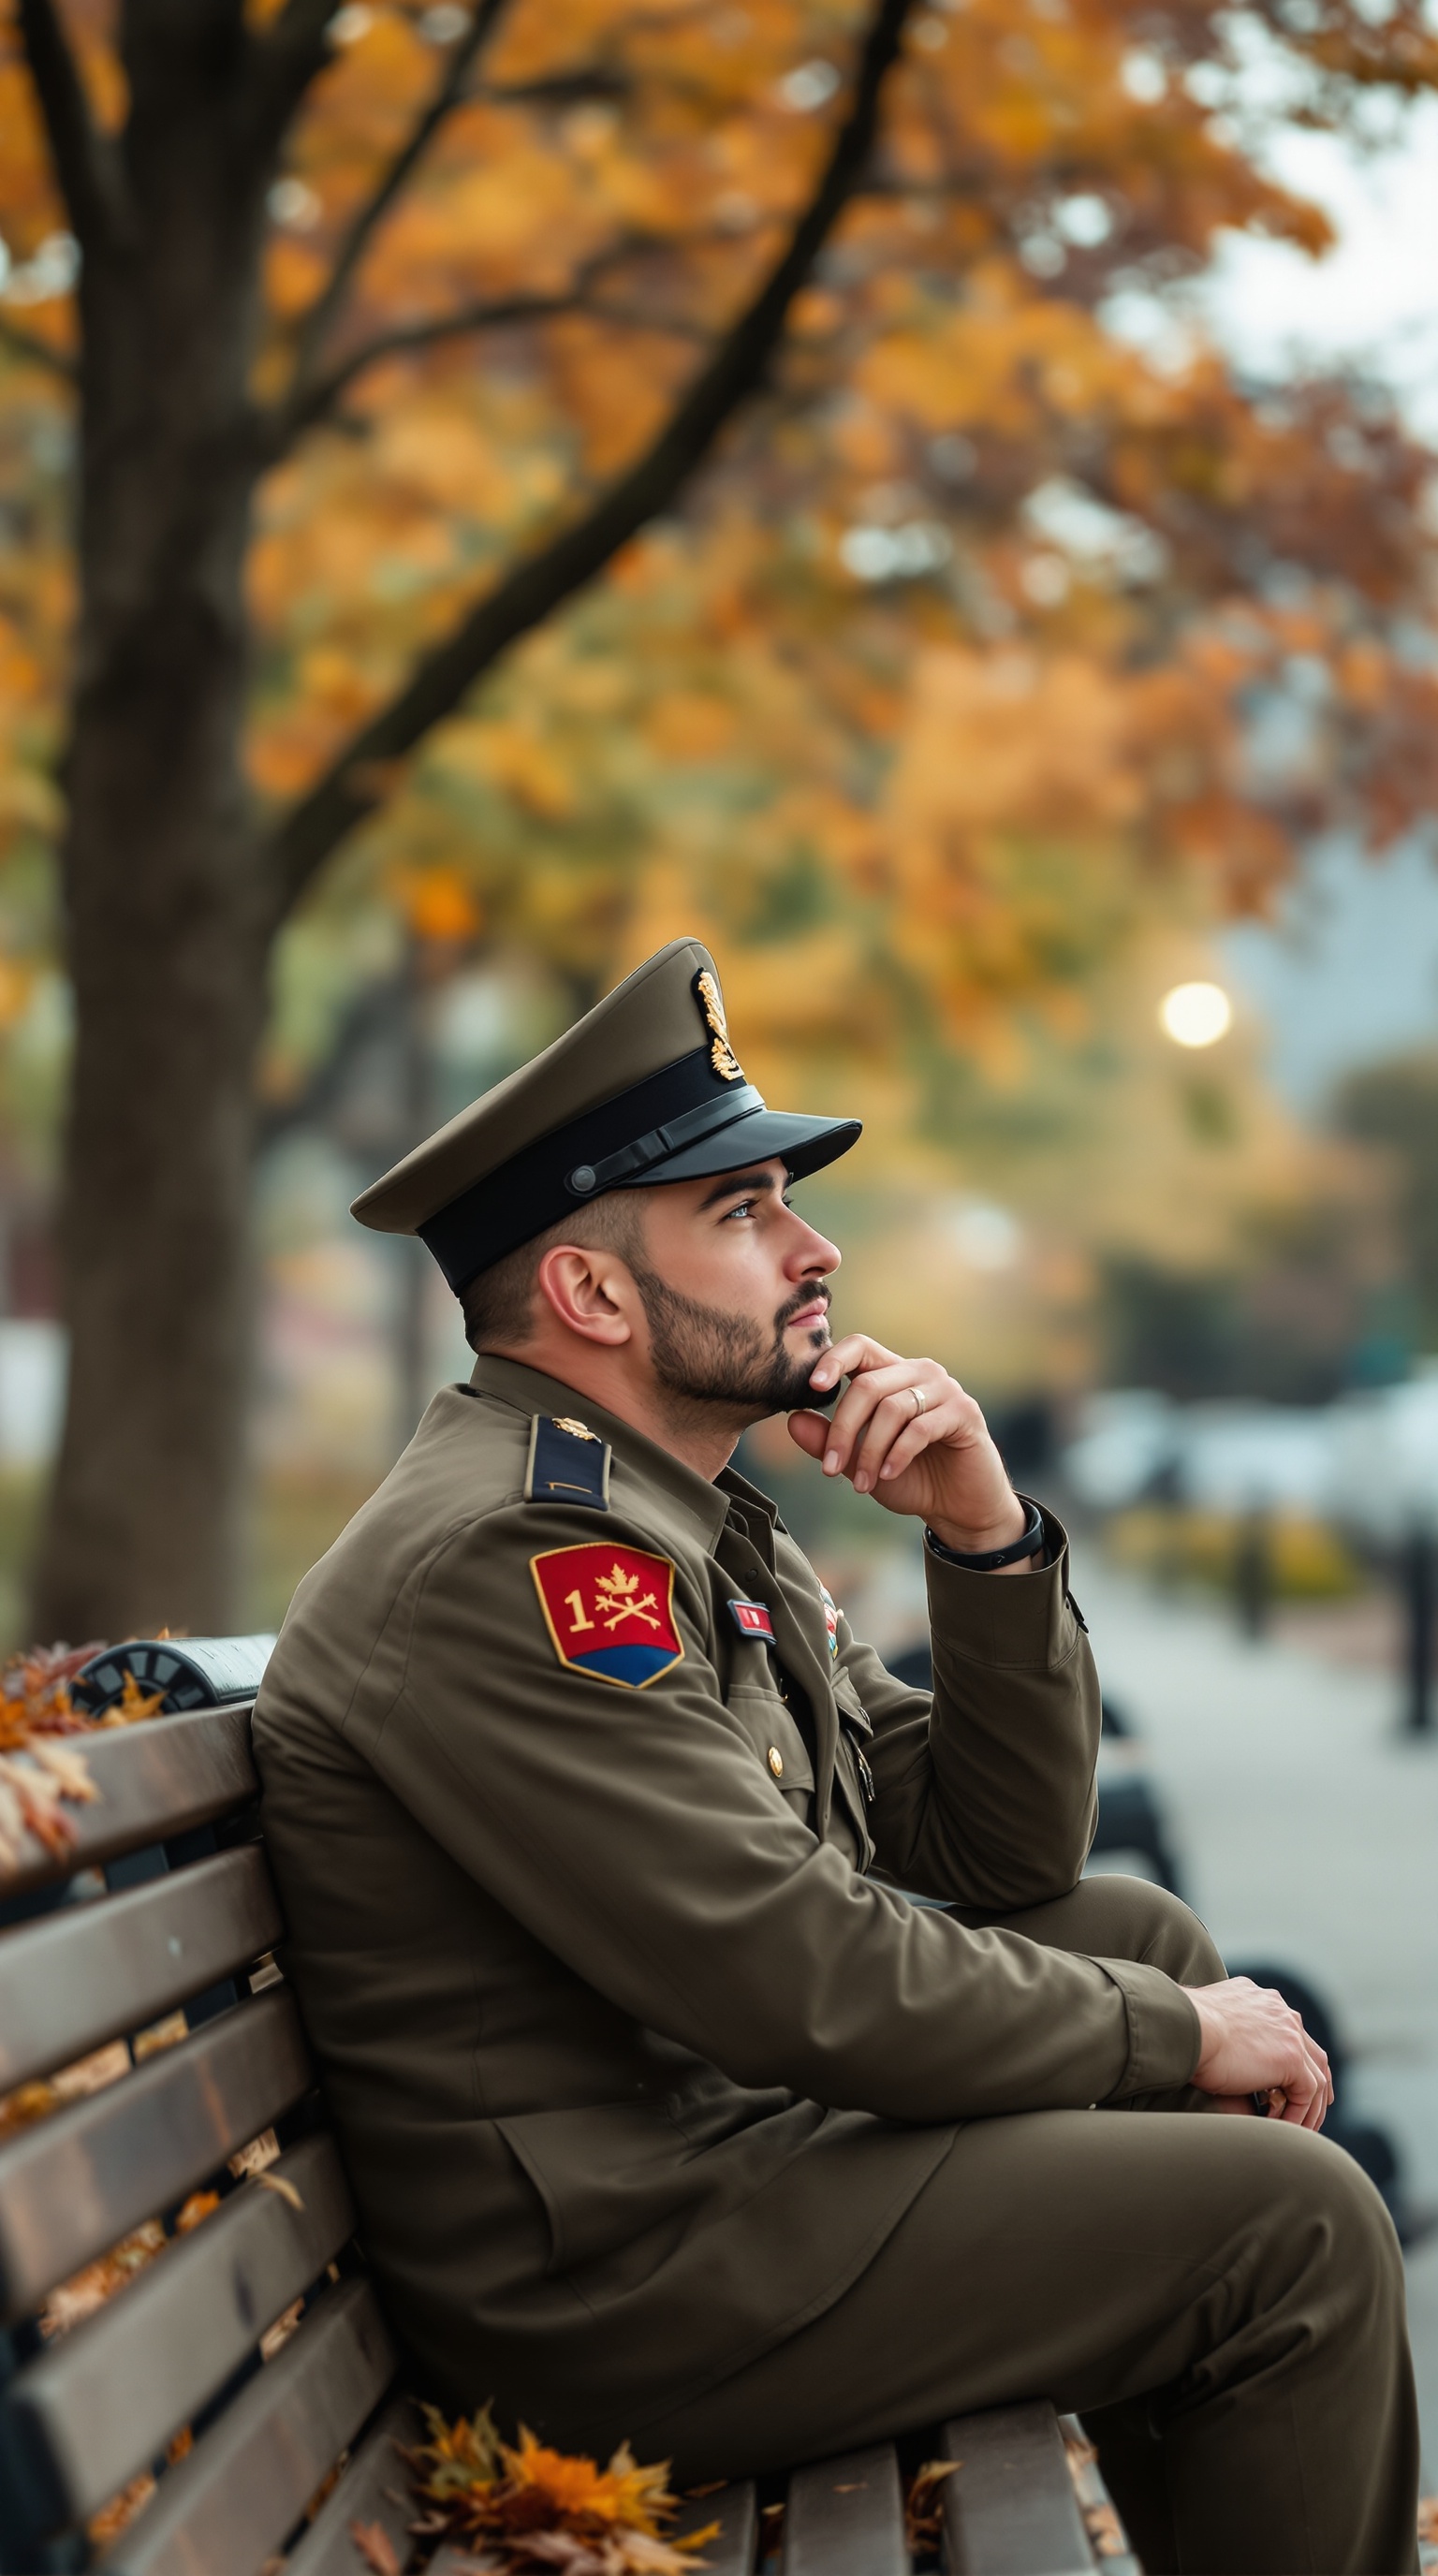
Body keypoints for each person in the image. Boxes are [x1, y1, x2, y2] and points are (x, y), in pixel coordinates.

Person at [253, 938, 1417, 2576]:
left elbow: (984, 1860)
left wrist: (986, 1537)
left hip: (713, 2163)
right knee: (1298, 2231)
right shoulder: (518, 1564)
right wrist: (1171, 2040)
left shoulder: (690, 1514)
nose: (819, 1246)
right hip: (621, 2281)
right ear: (589, 1293)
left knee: (1135, 1937)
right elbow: (793, 1972)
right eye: (743, 1215)